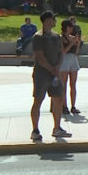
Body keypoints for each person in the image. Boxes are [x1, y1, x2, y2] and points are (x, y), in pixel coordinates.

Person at [30, 11, 69, 141]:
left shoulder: (56, 36)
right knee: (38, 100)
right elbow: (39, 56)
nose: (55, 22)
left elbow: (61, 53)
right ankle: (35, 130)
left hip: (55, 74)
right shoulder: (38, 37)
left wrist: (57, 67)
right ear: (47, 20)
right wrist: (50, 68)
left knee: (58, 98)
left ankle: (57, 128)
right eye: (53, 19)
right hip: (42, 74)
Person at [58, 19, 82, 116]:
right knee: (64, 85)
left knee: (73, 84)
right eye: (70, 26)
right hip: (64, 60)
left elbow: (76, 52)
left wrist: (78, 44)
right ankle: (64, 106)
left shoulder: (73, 37)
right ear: (66, 27)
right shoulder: (61, 38)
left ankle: (73, 106)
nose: (72, 28)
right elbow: (63, 51)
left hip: (73, 59)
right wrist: (72, 43)